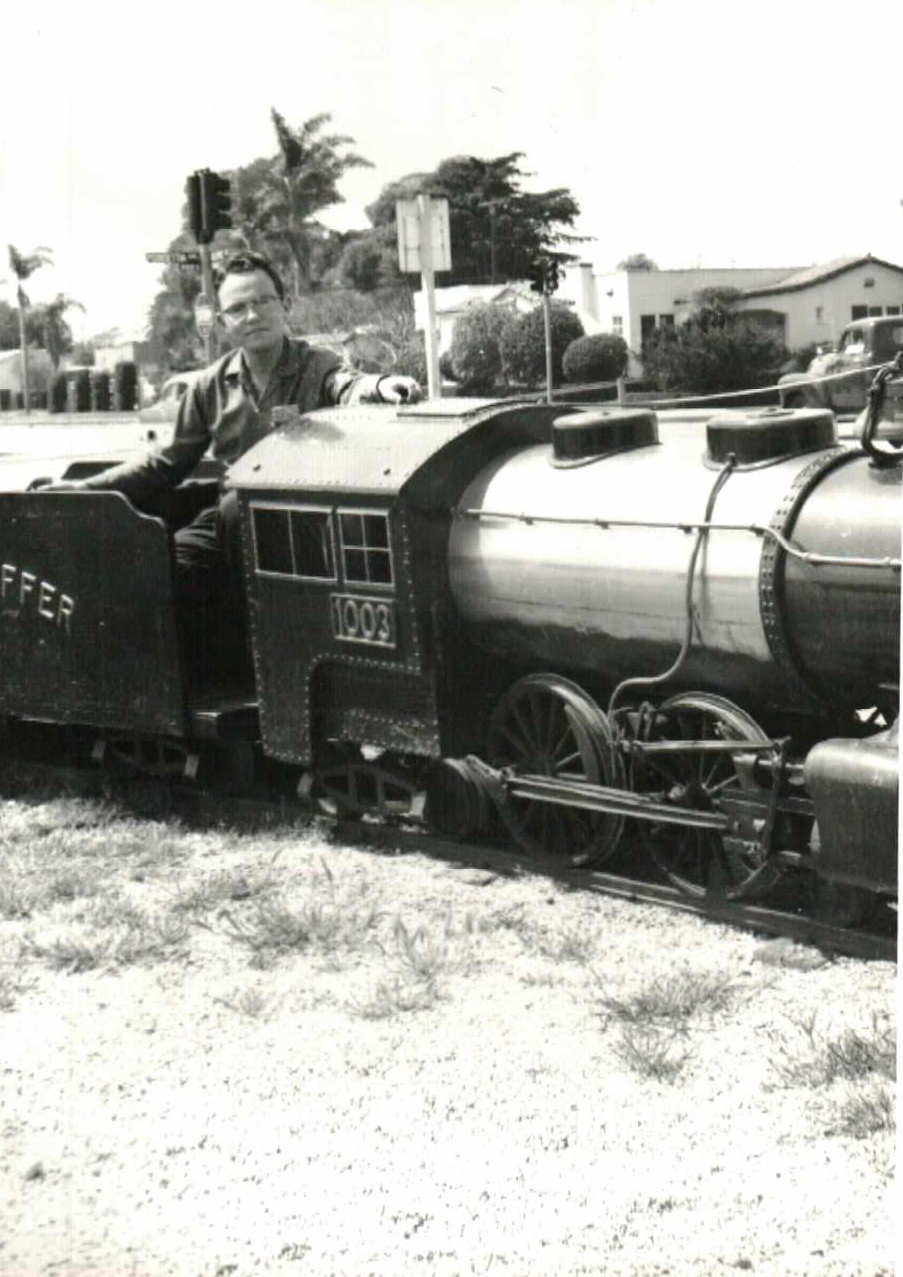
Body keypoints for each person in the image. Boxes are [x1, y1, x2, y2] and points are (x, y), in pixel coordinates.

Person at [48, 251, 423, 682]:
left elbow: (347, 384)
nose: (253, 315)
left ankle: (275, 671)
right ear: (224, 322)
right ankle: (207, 681)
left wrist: (380, 386)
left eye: (263, 301)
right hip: (232, 523)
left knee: (240, 516)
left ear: (285, 305)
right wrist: (83, 490)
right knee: (163, 566)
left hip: (305, 524)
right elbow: (164, 465)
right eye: (238, 308)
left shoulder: (316, 364)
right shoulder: (210, 385)